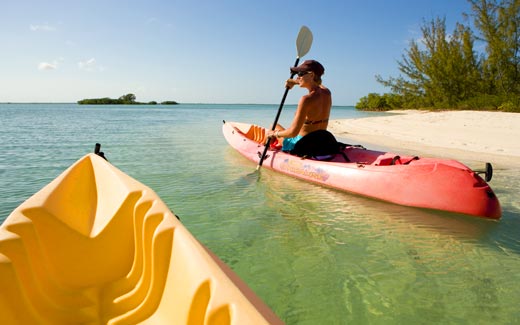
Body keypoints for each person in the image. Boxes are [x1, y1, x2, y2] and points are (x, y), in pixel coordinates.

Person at [267, 60, 332, 152]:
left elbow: (292, 133)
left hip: (302, 144)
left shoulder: (306, 99)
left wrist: (275, 134)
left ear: (311, 75)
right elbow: (318, 83)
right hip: (321, 142)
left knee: (273, 126)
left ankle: (266, 149)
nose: (298, 77)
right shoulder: (327, 93)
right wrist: (296, 81)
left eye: (301, 73)